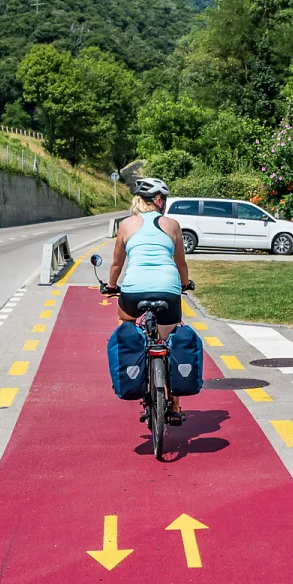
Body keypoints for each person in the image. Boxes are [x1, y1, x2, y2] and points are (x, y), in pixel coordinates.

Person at [105, 177, 193, 423]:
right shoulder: (173, 224)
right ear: (159, 201)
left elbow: (116, 263)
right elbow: (181, 263)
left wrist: (111, 286)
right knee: (170, 338)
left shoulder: (126, 225)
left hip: (133, 290)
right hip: (168, 289)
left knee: (126, 324)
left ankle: (134, 372)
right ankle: (174, 404)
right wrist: (185, 284)